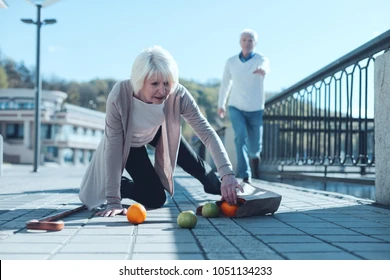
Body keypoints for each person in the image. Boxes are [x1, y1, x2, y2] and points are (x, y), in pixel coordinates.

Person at [79, 46, 243, 217]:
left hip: (158, 131)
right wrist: (113, 200)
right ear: (139, 80)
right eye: (155, 84)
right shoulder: (119, 95)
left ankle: (225, 189)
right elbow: (113, 147)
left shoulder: (178, 94)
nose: (163, 90)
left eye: (167, 83)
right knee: (155, 198)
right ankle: (117, 185)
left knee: (195, 164)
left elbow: (207, 134)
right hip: (128, 142)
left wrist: (227, 174)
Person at [218, 29, 270, 184]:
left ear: (255, 43)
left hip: (255, 108)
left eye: (251, 40)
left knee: (254, 148)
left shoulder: (261, 59)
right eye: (244, 40)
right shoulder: (231, 62)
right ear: (240, 42)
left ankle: (255, 159)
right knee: (239, 137)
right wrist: (221, 105)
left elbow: (266, 66)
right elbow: (225, 84)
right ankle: (245, 175)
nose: (247, 43)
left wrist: (263, 70)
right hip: (236, 106)